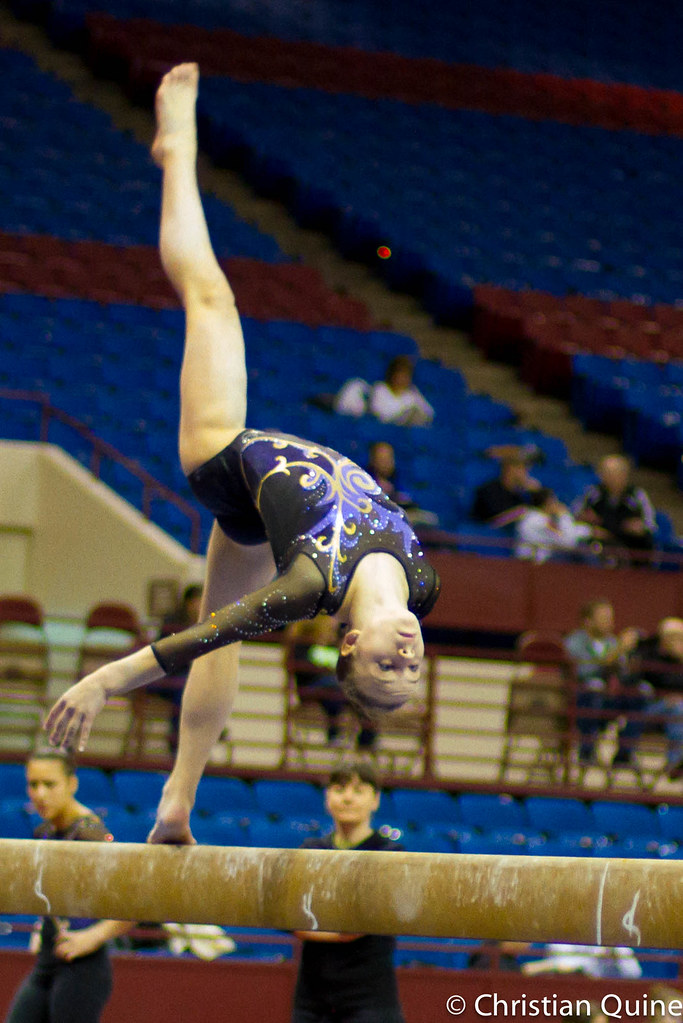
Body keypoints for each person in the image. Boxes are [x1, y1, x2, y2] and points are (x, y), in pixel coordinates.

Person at [45, 64, 439, 846]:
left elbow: (205, 635)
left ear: (350, 646)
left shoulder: (305, 586)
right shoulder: (423, 585)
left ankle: (178, 148)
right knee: (218, 625)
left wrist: (108, 678)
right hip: (262, 511)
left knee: (212, 297)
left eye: (384, 670)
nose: (405, 660)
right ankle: (175, 805)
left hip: (224, 455)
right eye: (411, 671)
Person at [4, 750, 132, 1023]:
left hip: (83, 968)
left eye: (50, 785)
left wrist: (93, 937)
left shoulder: (90, 835)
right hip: (47, 962)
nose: (40, 794)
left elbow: (135, 901)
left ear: (72, 785)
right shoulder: (45, 832)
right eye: (33, 784)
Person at [290, 762, 405, 1023]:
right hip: (312, 996)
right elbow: (289, 917)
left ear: (375, 799)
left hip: (370, 997)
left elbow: (361, 924)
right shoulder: (311, 851)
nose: (348, 797)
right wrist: (340, 934)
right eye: (340, 789)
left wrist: (320, 927)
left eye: (359, 790)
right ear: (327, 797)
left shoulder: (389, 853)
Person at [563, 600, 641, 768]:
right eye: (604, 618)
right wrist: (617, 653)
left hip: (610, 701)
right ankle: (587, 749)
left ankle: (624, 752)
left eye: (610, 618)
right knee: (593, 688)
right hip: (581, 702)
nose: (610, 623)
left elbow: (624, 675)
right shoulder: (574, 642)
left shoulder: (612, 642)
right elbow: (584, 672)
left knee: (638, 696)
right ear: (588, 621)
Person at [286, 617, 377, 750]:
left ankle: (366, 736)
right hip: (312, 688)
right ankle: (337, 731)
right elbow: (313, 665)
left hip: (330, 686)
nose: (332, 628)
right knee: (337, 688)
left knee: (354, 692)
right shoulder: (302, 644)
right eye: (329, 626)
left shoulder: (326, 644)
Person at [149, 582, 203, 751]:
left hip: (189, 679)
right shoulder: (172, 623)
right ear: (189, 603)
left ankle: (206, 732)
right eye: (198, 601)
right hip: (165, 678)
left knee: (201, 687)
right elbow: (165, 656)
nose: (201, 606)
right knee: (185, 688)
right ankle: (177, 742)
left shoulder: (207, 624)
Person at [626, 617, 683, 779]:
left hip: (674, 710)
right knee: (678, 709)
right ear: (664, 637)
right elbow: (657, 680)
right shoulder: (649, 654)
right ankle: (675, 764)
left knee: (678, 709)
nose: (679, 641)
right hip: (649, 709)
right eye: (676, 637)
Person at [573, 454, 656, 556]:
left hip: (629, 543)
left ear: (623, 475)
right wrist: (587, 523)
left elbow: (650, 524)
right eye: (604, 473)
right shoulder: (593, 492)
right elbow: (576, 515)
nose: (606, 477)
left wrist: (640, 527)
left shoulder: (637, 495)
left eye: (612, 473)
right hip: (599, 544)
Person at [366, 440, 439, 528]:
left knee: (430, 518)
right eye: (382, 458)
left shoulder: (397, 478)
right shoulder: (365, 480)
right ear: (373, 459)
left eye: (389, 458)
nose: (386, 463)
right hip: (377, 520)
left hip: (402, 515)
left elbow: (407, 499)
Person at [515, 488, 594, 563]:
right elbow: (568, 542)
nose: (557, 504)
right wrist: (564, 514)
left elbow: (566, 534)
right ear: (548, 502)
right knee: (581, 553)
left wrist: (588, 531)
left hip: (539, 557)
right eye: (554, 501)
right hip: (532, 560)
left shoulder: (535, 517)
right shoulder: (538, 520)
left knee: (582, 549)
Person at [471, 453, 541, 529]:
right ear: (509, 469)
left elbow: (535, 514)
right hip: (483, 534)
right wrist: (521, 511)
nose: (526, 473)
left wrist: (536, 494)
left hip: (512, 534)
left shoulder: (518, 494)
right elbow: (496, 520)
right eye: (521, 468)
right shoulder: (488, 490)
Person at [368, 355, 434, 426]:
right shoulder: (380, 388)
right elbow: (377, 412)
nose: (402, 379)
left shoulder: (412, 393)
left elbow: (429, 413)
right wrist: (403, 416)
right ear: (393, 374)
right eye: (400, 374)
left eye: (406, 375)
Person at [522, 943, 642, 979]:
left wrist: (616, 955)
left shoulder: (615, 942)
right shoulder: (563, 932)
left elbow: (634, 974)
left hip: (603, 995)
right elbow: (561, 964)